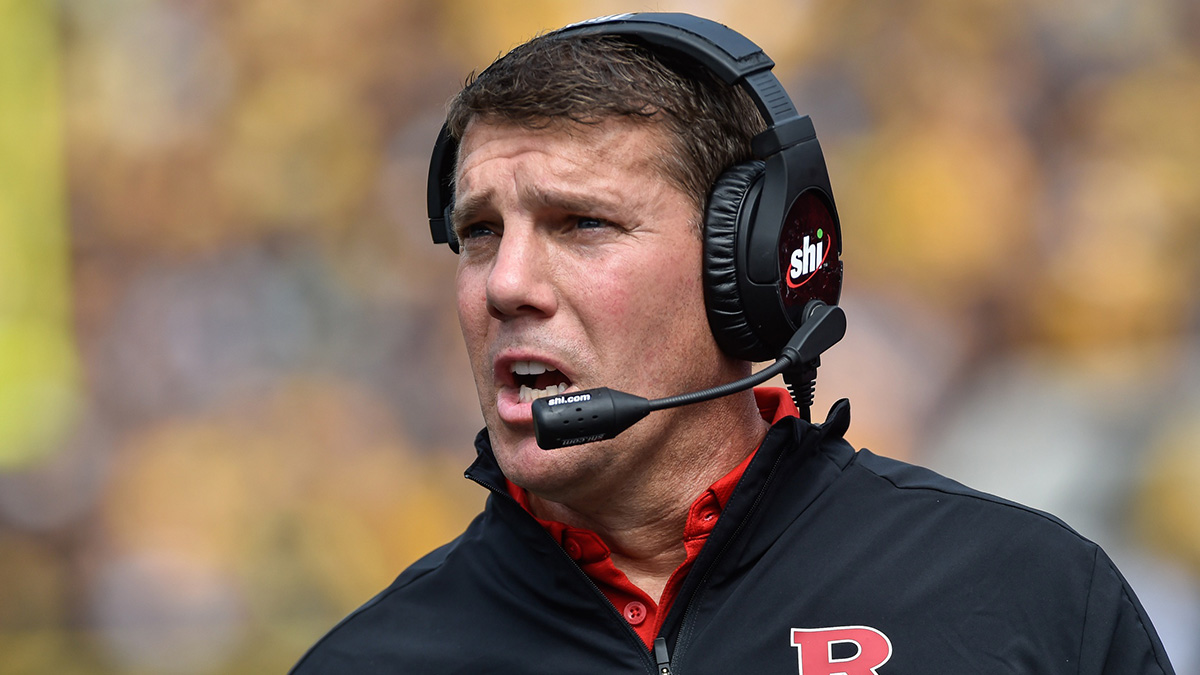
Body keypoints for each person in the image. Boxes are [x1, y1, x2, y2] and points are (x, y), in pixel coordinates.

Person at [292, 13, 1174, 674]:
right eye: (480, 232)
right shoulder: (368, 660)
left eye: (581, 223)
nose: (506, 282)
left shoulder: (1027, 590)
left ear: (750, 265)